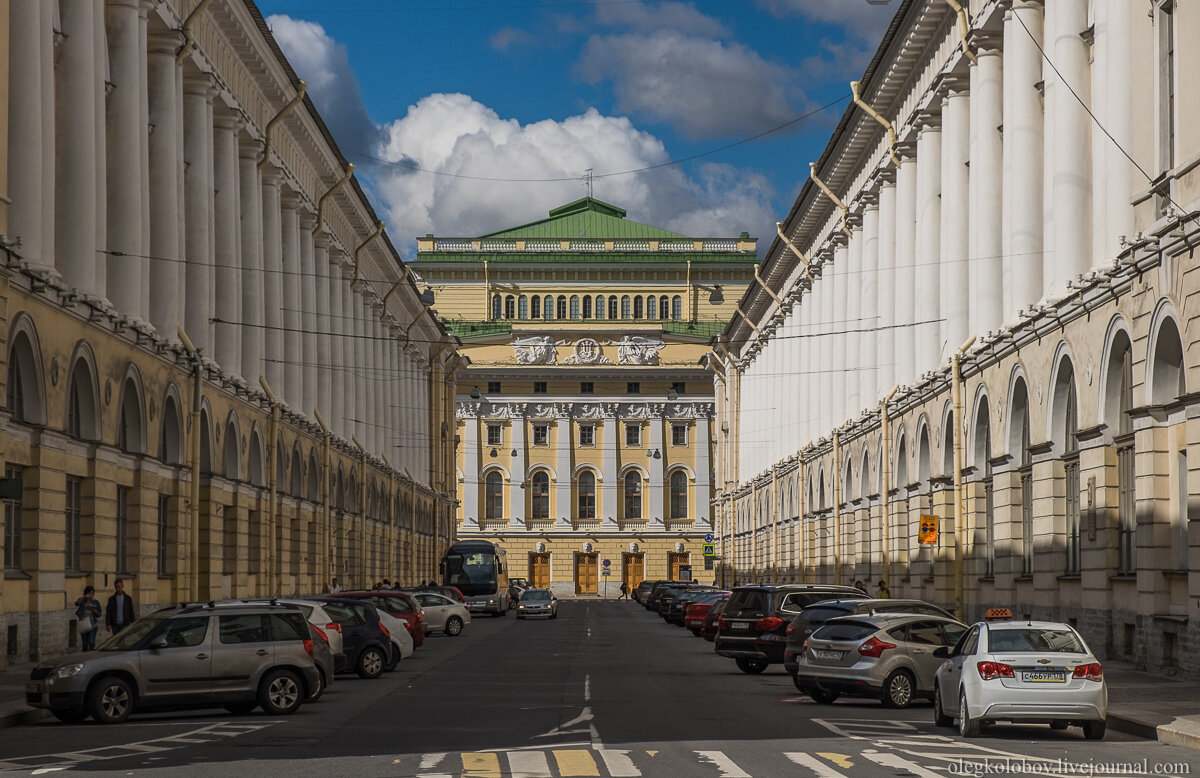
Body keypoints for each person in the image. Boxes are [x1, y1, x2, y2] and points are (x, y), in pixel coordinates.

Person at [74, 585, 102, 651]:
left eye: (92, 594)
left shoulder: (96, 602)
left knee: (91, 642)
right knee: (85, 644)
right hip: (84, 624)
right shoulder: (83, 601)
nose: (91, 595)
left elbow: (100, 613)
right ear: (86, 594)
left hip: (93, 625)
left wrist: (95, 612)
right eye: (89, 593)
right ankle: (85, 656)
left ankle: (91, 655)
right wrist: (81, 600)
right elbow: (76, 604)